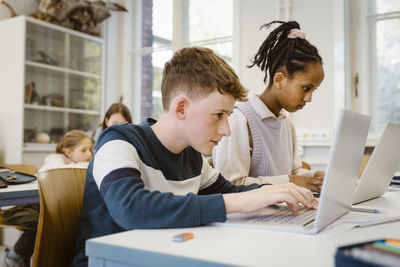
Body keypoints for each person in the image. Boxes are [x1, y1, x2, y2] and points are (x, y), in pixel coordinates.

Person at [71, 47, 318, 267]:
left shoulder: (192, 157)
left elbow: (230, 192)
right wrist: (236, 202)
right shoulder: (118, 141)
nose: (226, 129)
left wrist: (271, 192)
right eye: (218, 115)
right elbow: (130, 208)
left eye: (228, 116)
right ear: (181, 108)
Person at [212, 21, 325, 193]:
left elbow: (293, 173)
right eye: (306, 88)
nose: (309, 98)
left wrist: (313, 177)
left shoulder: (286, 124)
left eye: (314, 90)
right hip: (247, 218)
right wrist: (291, 182)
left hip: (282, 213)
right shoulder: (238, 119)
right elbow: (231, 184)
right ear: (279, 80)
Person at [1, 130, 93, 267]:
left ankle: (25, 259)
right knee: (38, 223)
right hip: (16, 206)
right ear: (68, 153)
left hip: (36, 207)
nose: (90, 154)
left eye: (91, 149)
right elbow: (60, 170)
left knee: (58, 223)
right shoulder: (55, 160)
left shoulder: (74, 166)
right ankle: (12, 257)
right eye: (84, 150)